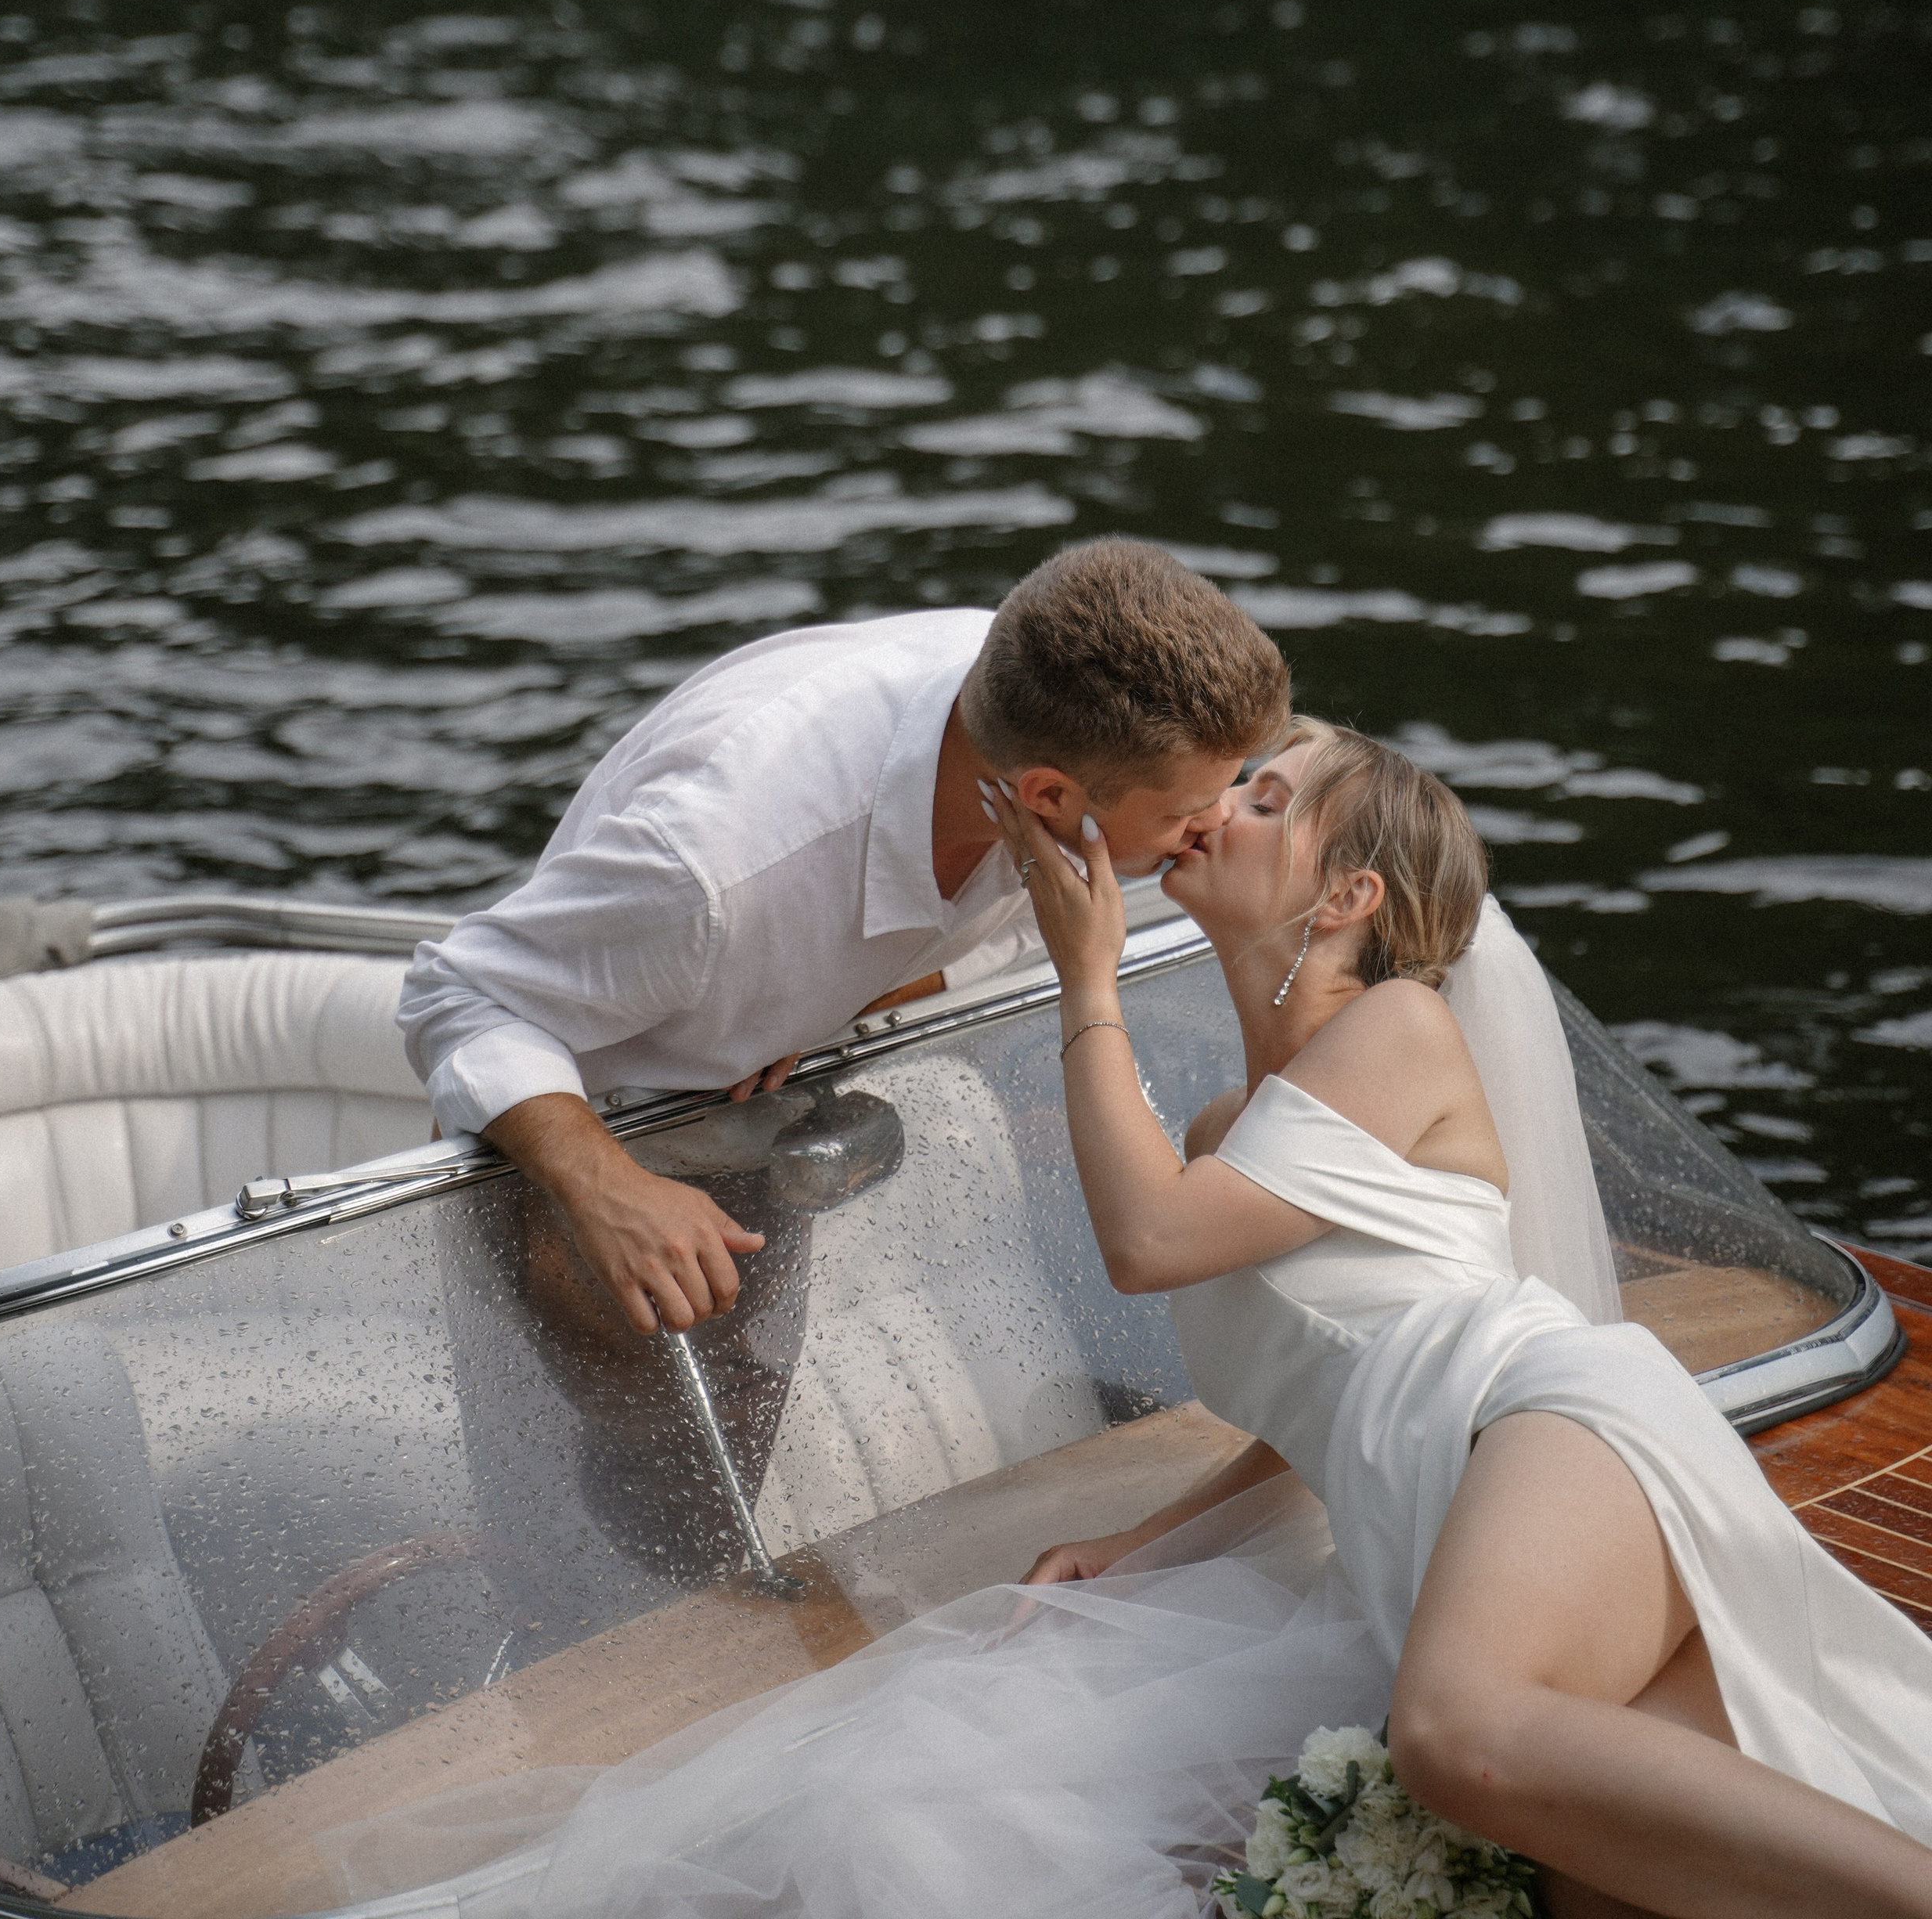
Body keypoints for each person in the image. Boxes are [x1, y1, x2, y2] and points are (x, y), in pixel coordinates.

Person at [357, 718, 1932, 1919]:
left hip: (1539, 1431)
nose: (1219, 801)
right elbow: (1320, 1411)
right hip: (1441, 1499)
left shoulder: (1393, 1032)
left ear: (1345, 897)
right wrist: (1140, 1547)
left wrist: (1088, 974)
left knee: (1453, 1741)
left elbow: (1142, 1249)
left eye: (1267, 798)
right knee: (1602, 1877)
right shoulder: (1228, 1130)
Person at [397, 538, 1288, 1336]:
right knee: (612, 1502)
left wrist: (836, 998)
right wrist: (609, 1190)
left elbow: (988, 931)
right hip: (575, 1175)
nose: (1215, 824)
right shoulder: (714, 865)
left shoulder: (1040, 697)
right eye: (1187, 809)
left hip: (759, 1133)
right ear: (1047, 797)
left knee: (728, 1481)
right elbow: (457, 996)